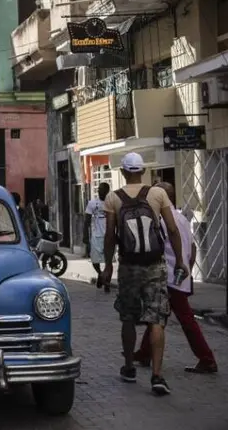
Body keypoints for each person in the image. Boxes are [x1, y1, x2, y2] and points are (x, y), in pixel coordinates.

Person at [102, 152, 187, 396]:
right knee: (156, 318)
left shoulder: (112, 198)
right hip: (154, 265)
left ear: (123, 172)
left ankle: (129, 367)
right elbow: (171, 229)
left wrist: (108, 266)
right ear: (142, 170)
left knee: (128, 318)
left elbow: (110, 236)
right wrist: (180, 260)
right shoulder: (158, 194)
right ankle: (157, 375)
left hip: (128, 267)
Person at [133, 182, 217, 375]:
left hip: (168, 277)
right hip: (178, 276)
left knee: (183, 319)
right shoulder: (181, 218)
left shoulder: (162, 220)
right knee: (158, 317)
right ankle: (144, 352)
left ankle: (207, 358)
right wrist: (186, 267)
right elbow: (193, 248)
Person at [84, 182, 111, 292]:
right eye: (99, 189)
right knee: (95, 260)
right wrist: (85, 236)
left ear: (107, 191)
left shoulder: (111, 203)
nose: (100, 191)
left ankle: (107, 283)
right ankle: (100, 274)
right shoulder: (92, 203)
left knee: (108, 262)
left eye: (102, 189)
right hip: (96, 235)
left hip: (109, 236)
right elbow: (86, 220)